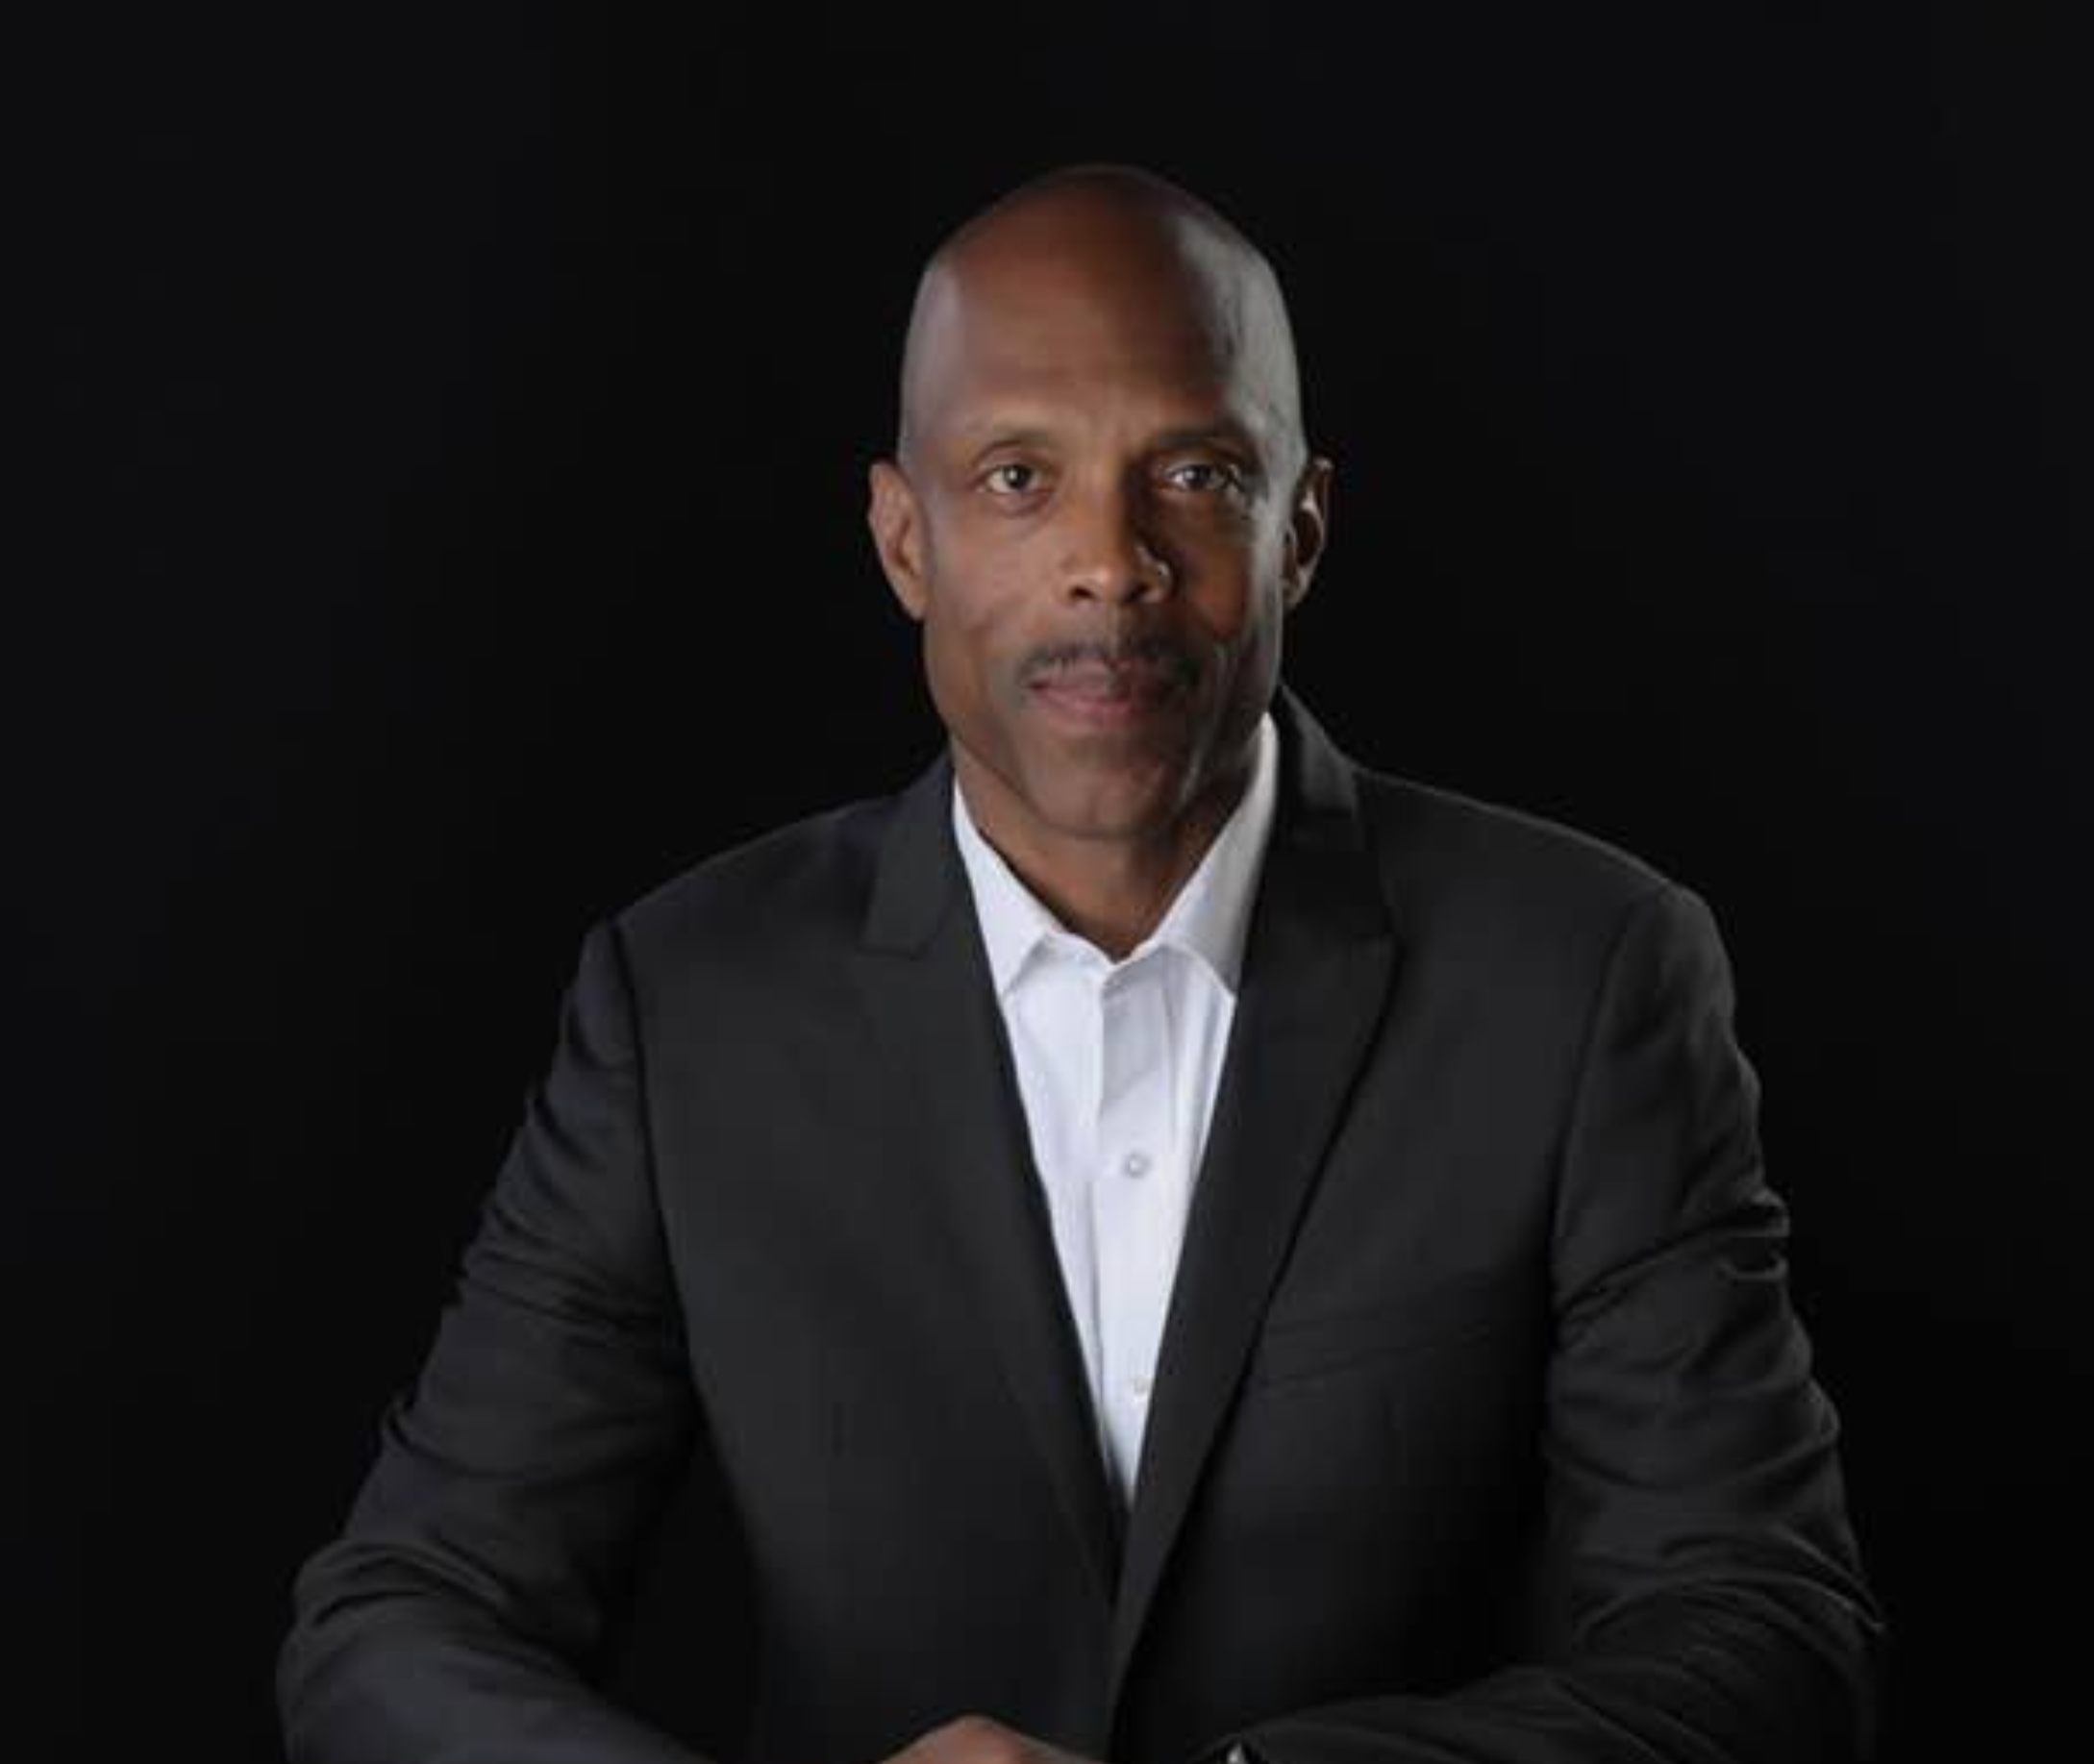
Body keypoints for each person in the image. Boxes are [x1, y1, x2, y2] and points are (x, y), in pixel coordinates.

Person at [274, 161, 1884, 1764]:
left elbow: (1759, 1638)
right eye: (1016, 480)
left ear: (1300, 526)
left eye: (1190, 473)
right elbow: (402, 1620)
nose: (1108, 563)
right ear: (905, 542)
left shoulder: (1585, 974)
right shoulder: (684, 1005)